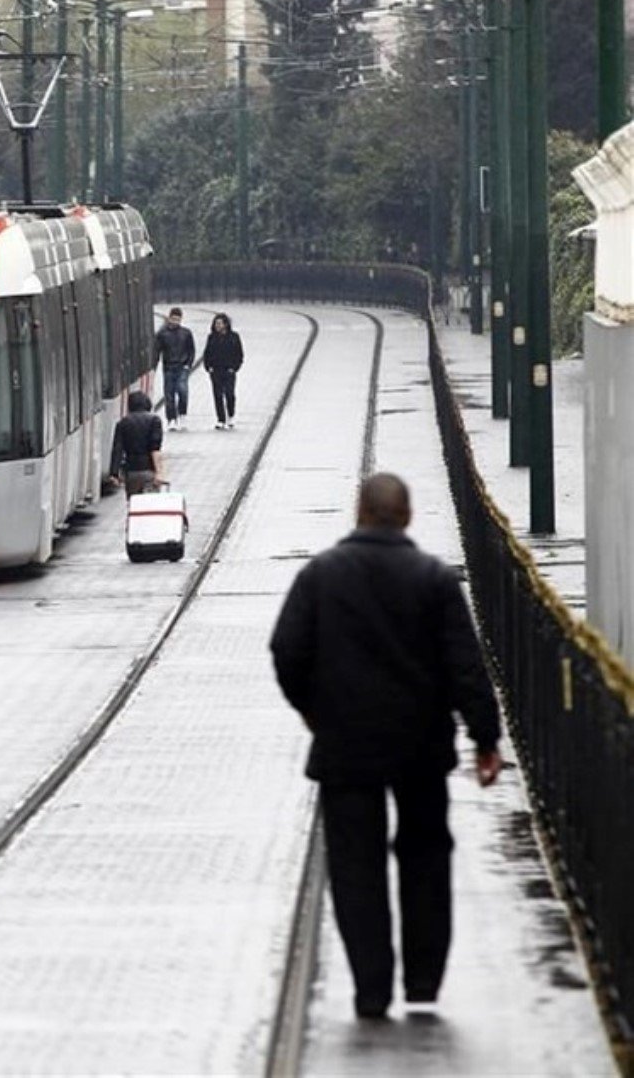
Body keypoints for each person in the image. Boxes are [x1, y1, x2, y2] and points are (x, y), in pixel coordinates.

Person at [269, 474, 503, 1021]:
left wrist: (312, 709)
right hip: (421, 746)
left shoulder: (320, 576)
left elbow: (287, 650)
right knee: (426, 856)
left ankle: (371, 989)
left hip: (345, 746)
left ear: (359, 512)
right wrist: (485, 739)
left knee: (356, 866)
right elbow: (467, 668)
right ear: (408, 516)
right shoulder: (434, 580)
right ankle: (423, 980)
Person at [107, 390, 165, 496]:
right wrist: (159, 472)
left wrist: (114, 474)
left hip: (131, 472)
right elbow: (155, 449)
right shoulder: (154, 421)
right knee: (149, 506)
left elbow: (117, 449)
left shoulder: (122, 423)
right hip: (149, 470)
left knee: (134, 504)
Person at [153, 307, 195, 431]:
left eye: (178, 319)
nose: (175, 321)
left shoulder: (186, 333)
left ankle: (182, 415)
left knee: (183, 392)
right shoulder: (162, 334)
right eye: (173, 319)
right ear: (169, 318)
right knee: (169, 394)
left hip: (182, 366)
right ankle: (171, 419)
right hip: (169, 366)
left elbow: (191, 350)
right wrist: (154, 366)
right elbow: (157, 351)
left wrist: (188, 364)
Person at [202, 312, 244, 430]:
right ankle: (220, 419)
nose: (218, 326)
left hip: (229, 370)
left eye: (220, 323)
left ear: (226, 324)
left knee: (230, 394)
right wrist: (208, 367)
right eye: (216, 323)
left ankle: (230, 415)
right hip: (216, 370)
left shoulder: (234, 337)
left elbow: (239, 354)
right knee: (218, 395)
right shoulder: (212, 337)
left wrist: (235, 367)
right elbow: (207, 353)